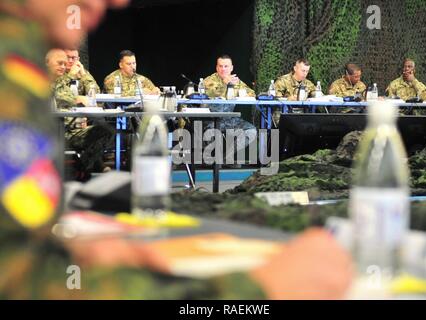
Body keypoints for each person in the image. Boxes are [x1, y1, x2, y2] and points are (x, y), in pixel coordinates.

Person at [0, 0, 353, 300]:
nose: (117, 3)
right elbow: (22, 280)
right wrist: (255, 289)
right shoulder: (11, 72)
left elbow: (23, 242)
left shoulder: (19, 55)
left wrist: (71, 251)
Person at [47, 49, 114, 178]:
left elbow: (94, 93)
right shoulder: (47, 78)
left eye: (74, 58)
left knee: (106, 131)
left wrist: (83, 76)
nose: (66, 64)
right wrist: (71, 80)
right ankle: (84, 170)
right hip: (54, 131)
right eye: (61, 62)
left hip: (72, 128)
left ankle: (80, 167)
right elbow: (63, 95)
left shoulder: (69, 77)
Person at [203, 55, 257, 164]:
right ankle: (210, 159)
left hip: (230, 119)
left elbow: (252, 93)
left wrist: (244, 94)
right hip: (211, 119)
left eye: (226, 66)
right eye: (220, 66)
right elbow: (210, 92)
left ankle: (227, 156)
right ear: (217, 68)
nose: (223, 69)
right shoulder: (209, 80)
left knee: (251, 131)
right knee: (209, 131)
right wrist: (225, 83)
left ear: (231, 68)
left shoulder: (236, 81)